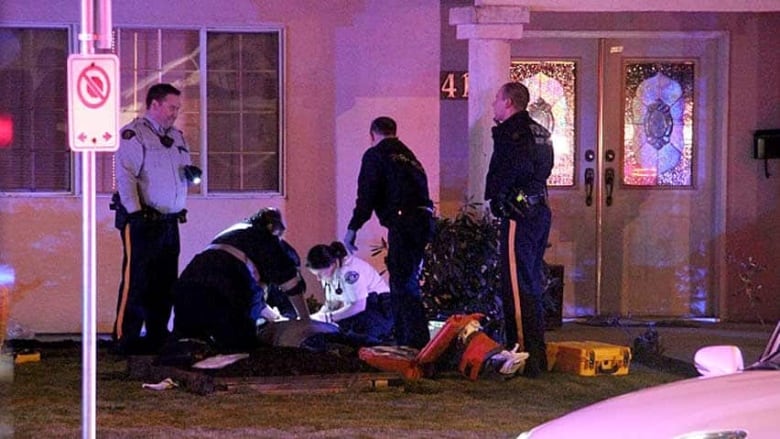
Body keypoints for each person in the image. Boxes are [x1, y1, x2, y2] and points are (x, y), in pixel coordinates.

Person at [111, 83, 200, 355]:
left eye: (177, 108)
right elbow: (125, 176)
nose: (175, 113)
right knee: (137, 280)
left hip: (169, 221)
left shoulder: (176, 137)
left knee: (165, 282)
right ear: (154, 104)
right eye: (171, 107)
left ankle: (157, 336)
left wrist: (190, 175)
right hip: (142, 220)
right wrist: (135, 214)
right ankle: (125, 340)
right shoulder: (134, 135)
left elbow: (174, 173)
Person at [343, 116, 434, 349]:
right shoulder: (409, 157)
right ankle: (416, 339)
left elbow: (367, 195)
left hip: (404, 221)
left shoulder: (375, 155)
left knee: (402, 283)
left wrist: (353, 228)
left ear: (372, 135)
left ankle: (411, 343)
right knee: (408, 279)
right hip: (423, 220)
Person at [484, 82, 554, 378]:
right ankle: (535, 351)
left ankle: (523, 354)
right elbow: (543, 169)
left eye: (496, 100)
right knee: (530, 281)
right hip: (539, 210)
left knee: (516, 285)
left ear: (509, 102)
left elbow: (510, 170)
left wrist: (500, 199)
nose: (493, 106)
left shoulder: (513, 134)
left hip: (520, 215)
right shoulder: (541, 132)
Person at [171, 208, 308, 352]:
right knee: (241, 344)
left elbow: (259, 301)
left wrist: (275, 317)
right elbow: (291, 283)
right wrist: (305, 320)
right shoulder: (265, 240)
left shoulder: (233, 233)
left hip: (188, 283)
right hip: (225, 284)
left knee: (186, 343)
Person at [305, 241, 394, 346]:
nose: (318, 279)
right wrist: (317, 318)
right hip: (363, 310)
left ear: (332, 264)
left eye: (320, 274)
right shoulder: (329, 273)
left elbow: (359, 306)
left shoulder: (350, 272)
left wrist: (328, 318)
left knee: (354, 335)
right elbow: (332, 304)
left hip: (379, 308)